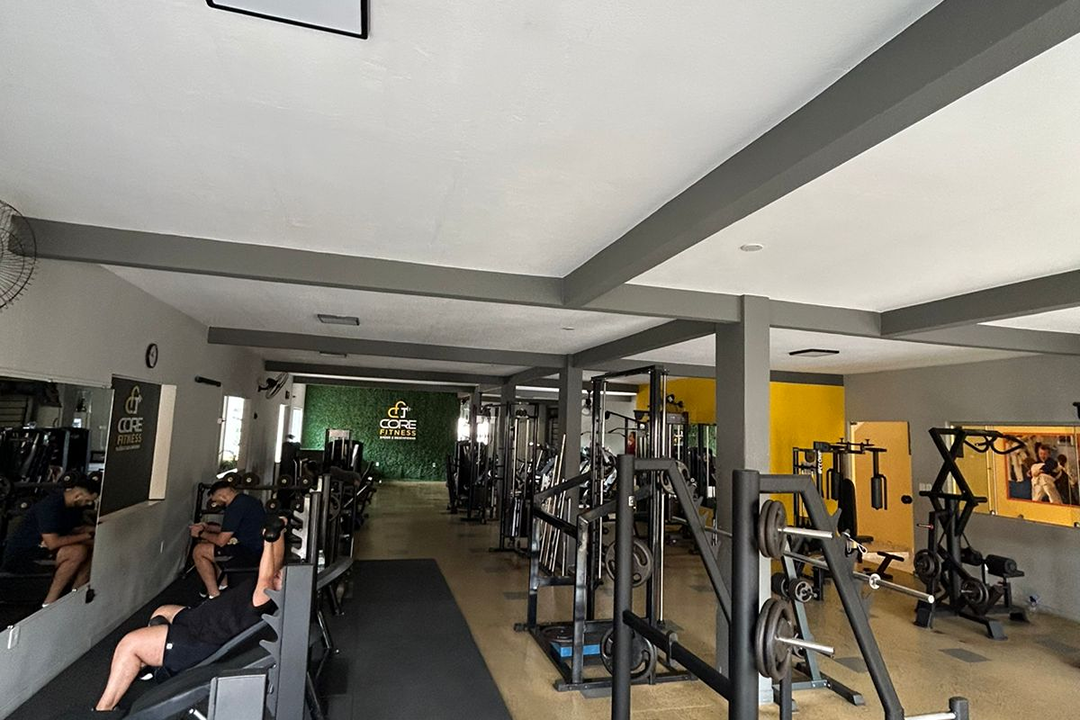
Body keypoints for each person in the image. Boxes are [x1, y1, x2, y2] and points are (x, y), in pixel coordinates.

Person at [93, 518, 286, 714]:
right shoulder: (272, 588)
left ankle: (103, 709)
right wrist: (278, 531)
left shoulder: (265, 596)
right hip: (198, 619)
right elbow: (276, 562)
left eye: (282, 577)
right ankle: (154, 663)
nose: (279, 573)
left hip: (200, 638)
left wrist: (268, 541)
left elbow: (267, 576)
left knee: (129, 645)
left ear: (284, 589)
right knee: (162, 611)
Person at [1, 475, 99, 606]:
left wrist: (97, 529)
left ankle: (77, 593)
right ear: (78, 496)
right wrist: (87, 536)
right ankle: (49, 602)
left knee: (94, 546)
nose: (88, 504)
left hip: (44, 549)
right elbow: (53, 543)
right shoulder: (50, 507)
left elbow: (74, 529)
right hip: (25, 556)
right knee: (77, 551)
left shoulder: (74, 508)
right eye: (87, 501)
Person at [189, 481, 266, 598]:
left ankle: (214, 596)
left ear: (222, 497)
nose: (215, 504)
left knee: (199, 551)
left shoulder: (234, 508)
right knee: (209, 544)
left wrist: (200, 533)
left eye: (215, 501)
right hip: (257, 549)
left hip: (248, 554)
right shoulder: (248, 500)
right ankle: (223, 585)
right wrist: (206, 527)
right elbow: (229, 530)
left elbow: (221, 541)